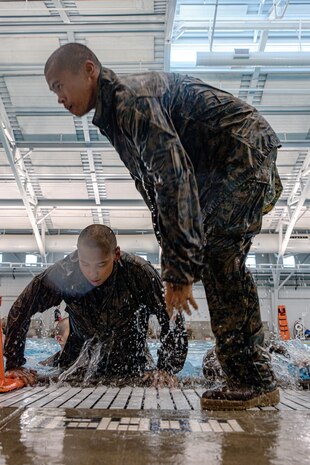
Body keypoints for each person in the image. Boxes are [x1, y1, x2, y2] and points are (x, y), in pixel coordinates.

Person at [44, 43, 283, 410]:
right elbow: (155, 188)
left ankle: (251, 377)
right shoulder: (115, 114)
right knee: (221, 260)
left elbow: (174, 178)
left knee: (219, 257)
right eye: (53, 91)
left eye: (60, 85)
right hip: (224, 164)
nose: (58, 98)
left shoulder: (130, 101)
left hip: (240, 155)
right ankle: (250, 373)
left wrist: (179, 269)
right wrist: (175, 259)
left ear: (89, 69)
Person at [4, 224, 188, 387]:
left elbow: (171, 316)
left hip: (131, 358)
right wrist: (15, 363)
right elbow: (21, 309)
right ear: (77, 254)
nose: (93, 273)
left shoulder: (139, 273)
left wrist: (166, 368)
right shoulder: (64, 273)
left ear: (116, 254)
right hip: (78, 358)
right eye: (85, 264)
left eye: (101, 264)